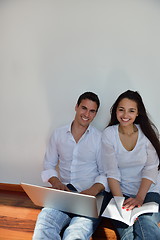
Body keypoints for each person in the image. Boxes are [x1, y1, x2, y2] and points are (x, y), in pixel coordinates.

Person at [32, 91, 109, 240]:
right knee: (44, 225)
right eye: (84, 108)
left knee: (76, 234)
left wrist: (92, 191)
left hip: (90, 197)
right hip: (63, 194)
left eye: (92, 111)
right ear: (76, 107)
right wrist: (56, 183)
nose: (87, 114)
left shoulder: (100, 139)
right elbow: (48, 164)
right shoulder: (58, 134)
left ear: (96, 114)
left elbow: (105, 173)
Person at [101, 90, 160, 240]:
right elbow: (112, 172)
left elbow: (151, 168)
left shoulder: (146, 133)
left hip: (148, 191)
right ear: (115, 111)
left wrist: (140, 197)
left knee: (147, 224)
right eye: (121, 109)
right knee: (127, 233)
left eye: (131, 110)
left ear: (138, 113)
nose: (125, 115)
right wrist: (121, 204)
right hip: (120, 193)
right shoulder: (109, 134)